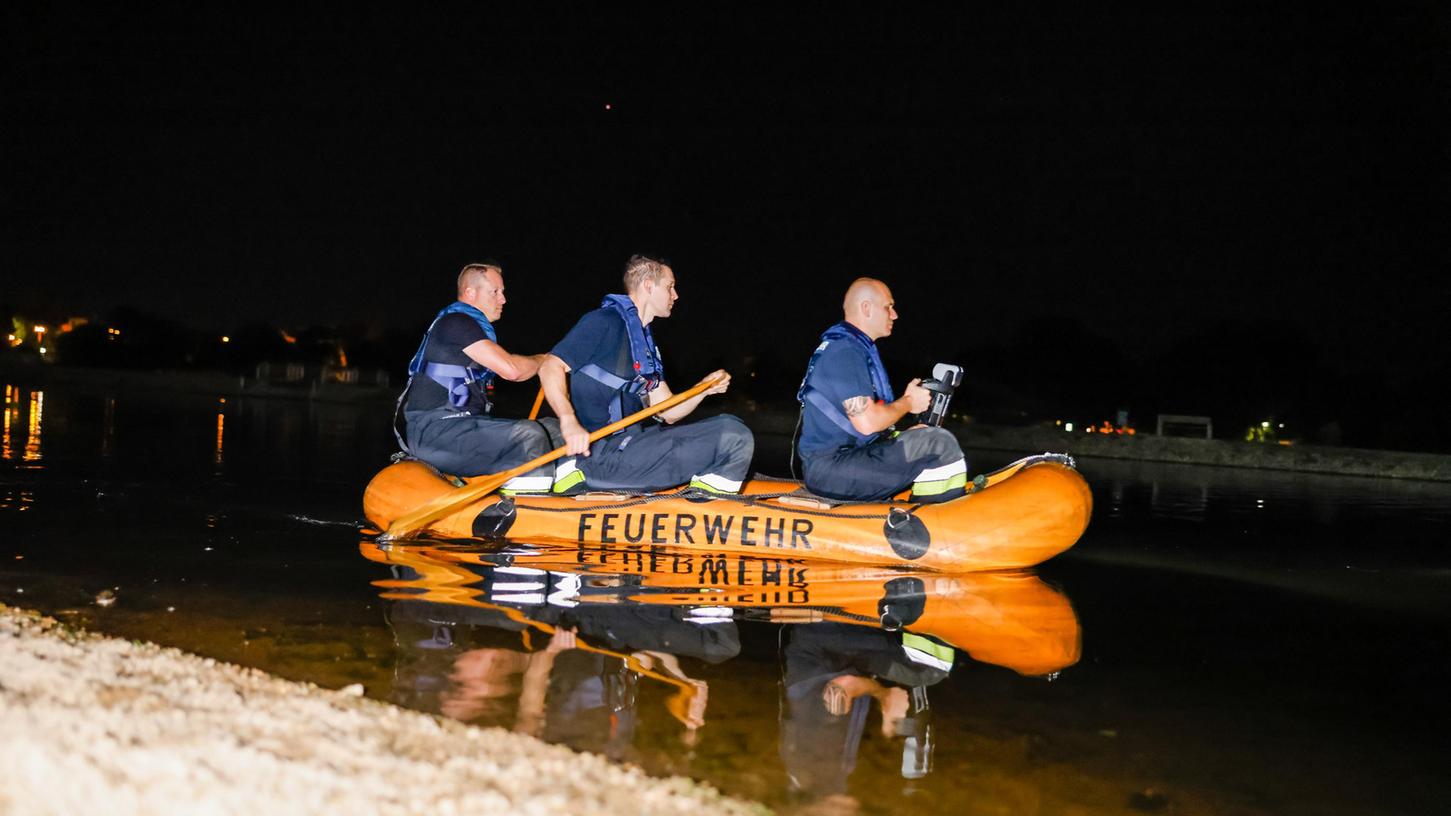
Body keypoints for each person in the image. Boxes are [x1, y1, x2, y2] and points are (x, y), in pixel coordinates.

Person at [537, 254, 754, 495]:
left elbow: (668, 411)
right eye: (670, 287)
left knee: (732, 427)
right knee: (733, 437)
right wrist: (568, 421)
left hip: (631, 449)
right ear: (649, 286)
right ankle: (704, 506)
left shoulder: (643, 343)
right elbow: (550, 366)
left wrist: (702, 389)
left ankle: (705, 497)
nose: (676, 295)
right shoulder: (603, 321)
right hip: (599, 457)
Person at [795, 278, 967, 503]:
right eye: (888, 307)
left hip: (841, 462)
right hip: (833, 470)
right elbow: (867, 423)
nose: (894, 315)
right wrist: (907, 402)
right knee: (938, 443)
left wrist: (909, 433)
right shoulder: (845, 352)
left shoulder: (849, 348)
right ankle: (934, 522)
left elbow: (862, 426)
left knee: (923, 435)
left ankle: (927, 508)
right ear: (866, 308)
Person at [395, 263, 555, 493]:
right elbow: (512, 370)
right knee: (529, 436)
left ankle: (573, 497)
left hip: (463, 427)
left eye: (502, 292)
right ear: (470, 293)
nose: (503, 300)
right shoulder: (456, 323)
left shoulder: (470, 330)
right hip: (435, 433)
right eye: (495, 292)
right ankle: (527, 502)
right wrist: (544, 360)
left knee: (552, 430)